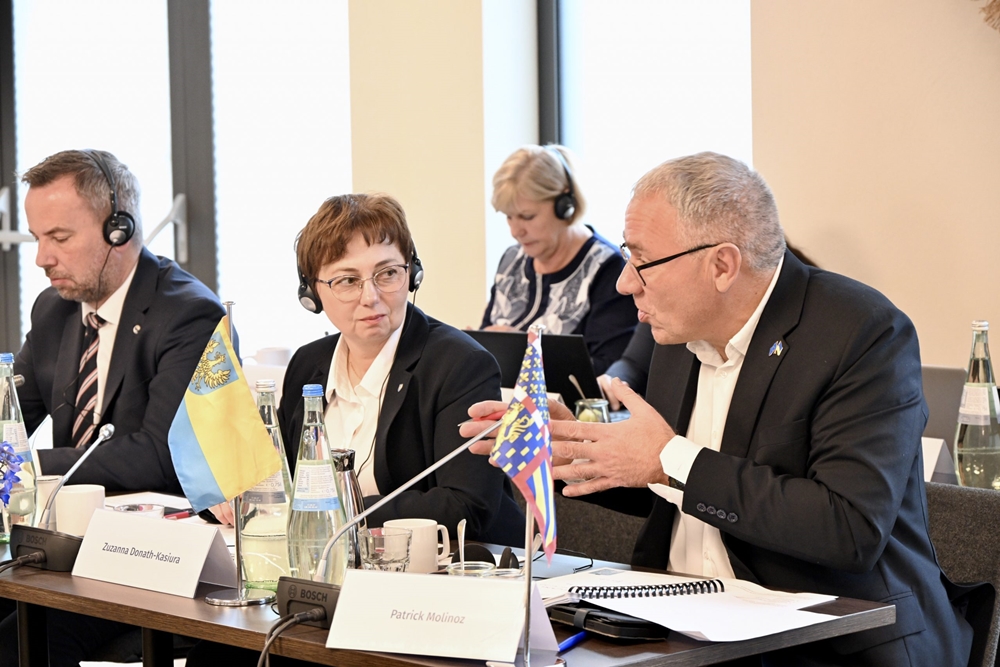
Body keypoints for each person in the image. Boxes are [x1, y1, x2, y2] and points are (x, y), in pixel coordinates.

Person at [465, 152, 973, 666]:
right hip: (674, 629)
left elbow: (849, 528)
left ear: (722, 265)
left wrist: (667, 459)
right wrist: (579, 449)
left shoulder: (861, 333)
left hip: (825, 642)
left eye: (642, 262)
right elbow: (677, 484)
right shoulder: (676, 330)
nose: (625, 282)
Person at [184, 192, 524, 667]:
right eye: (347, 280)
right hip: (325, 587)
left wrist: (333, 515)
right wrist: (233, 495)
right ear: (312, 294)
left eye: (387, 273)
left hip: (433, 598)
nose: (370, 296)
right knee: (215, 655)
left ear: (412, 273)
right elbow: (279, 481)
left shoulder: (460, 364)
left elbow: (465, 505)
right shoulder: (309, 364)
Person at [0, 149, 224, 665]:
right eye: (37, 238)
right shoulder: (54, 308)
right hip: (65, 545)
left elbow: (159, 455)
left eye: (59, 238)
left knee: (15, 646)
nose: (41, 259)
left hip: (148, 556)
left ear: (118, 230)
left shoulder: (190, 315)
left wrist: (24, 466)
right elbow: (14, 412)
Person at [481, 145, 636, 375]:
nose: (515, 231)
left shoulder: (608, 268)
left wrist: (522, 350)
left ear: (565, 206)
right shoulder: (512, 260)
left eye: (527, 217)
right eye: (509, 217)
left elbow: (608, 370)